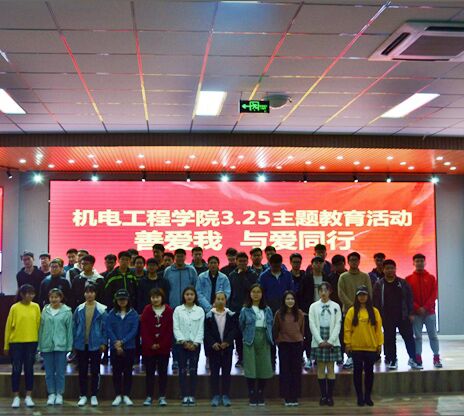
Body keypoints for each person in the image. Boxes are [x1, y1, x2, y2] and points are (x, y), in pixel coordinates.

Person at [373, 259, 421, 370]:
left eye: (392, 268)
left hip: (403, 316)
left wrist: (411, 313)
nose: (390, 270)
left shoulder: (403, 283)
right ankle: (393, 360)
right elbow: (376, 301)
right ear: (383, 270)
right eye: (387, 268)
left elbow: (409, 298)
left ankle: (413, 359)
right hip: (387, 317)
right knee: (390, 339)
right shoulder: (379, 284)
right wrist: (378, 316)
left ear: (395, 269)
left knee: (409, 338)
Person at [344, 286, 383, 407]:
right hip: (356, 348)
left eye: (364, 295)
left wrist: (379, 344)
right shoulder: (351, 311)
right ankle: (359, 397)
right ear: (357, 296)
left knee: (369, 373)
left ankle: (368, 397)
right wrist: (347, 343)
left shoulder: (374, 311)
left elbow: (378, 330)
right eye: (360, 295)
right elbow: (347, 329)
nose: (362, 297)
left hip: (371, 347)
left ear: (368, 296)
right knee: (357, 372)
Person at [4, 284, 41, 408]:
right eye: (28, 293)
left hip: (31, 342)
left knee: (29, 369)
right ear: (22, 294)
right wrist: (6, 345)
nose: (31, 296)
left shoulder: (36, 307)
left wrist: (39, 344)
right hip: (16, 343)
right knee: (16, 369)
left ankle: (28, 396)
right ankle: (16, 397)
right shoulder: (14, 307)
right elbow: (8, 327)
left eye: (32, 293)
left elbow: (39, 325)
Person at [73, 284, 107, 407]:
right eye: (87, 292)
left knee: (95, 370)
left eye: (92, 292)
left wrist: (103, 342)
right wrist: (74, 342)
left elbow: (105, 328)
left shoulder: (102, 309)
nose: (89, 295)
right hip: (81, 344)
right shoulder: (79, 309)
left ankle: (93, 395)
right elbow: (74, 326)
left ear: (95, 294)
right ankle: (82, 395)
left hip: (96, 344)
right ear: (84, 294)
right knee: (82, 371)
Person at [239, 283, 273, 407]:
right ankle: (252, 394)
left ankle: (260, 393)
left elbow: (271, 324)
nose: (256, 294)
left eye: (258, 292)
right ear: (250, 294)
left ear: (262, 294)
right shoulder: (245, 309)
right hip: (250, 340)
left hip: (264, 339)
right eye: (253, 292)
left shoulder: (267, 309)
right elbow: (241, 325)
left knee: (263, 367)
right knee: (251, 368)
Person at [309, 282, 342, 407]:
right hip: (319, 338)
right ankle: (323, 396)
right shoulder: (313, 306)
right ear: (318, 292)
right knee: (321, 368)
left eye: (326, 290)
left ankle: (330, 396)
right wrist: (319, 341)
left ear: (330, 292)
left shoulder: (336, 306)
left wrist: (331, 341)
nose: (323, 293)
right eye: (321, 290)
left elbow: (338, 324)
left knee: (331, 368)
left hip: (332, 338)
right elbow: (312, 324)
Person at [405, 253, 442, 368]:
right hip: (416, 314)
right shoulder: (408, 279)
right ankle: (418, 357)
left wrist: (425, 307)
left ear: (425, 263)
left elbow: (434, 294)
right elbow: (408, 297)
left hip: (429, 312)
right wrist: (417, 308)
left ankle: (436, 357)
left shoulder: (431, 278)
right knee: (417, 337)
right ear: (414, 263)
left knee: (433, 336)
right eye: (417, 261)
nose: (419, 263)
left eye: (421, 261)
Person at [258, 253, 293, 369]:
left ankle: (285, 364)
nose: (276, 268)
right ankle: (271, 362)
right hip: (269, 311)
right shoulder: (264, 276)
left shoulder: (287, 275)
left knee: (285, 336)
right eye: (274, 266)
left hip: (285, 311)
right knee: (271, 337)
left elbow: (291, 292)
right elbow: (261, 294)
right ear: (270, 264)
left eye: (278, 266)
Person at [164, 248, 197, 371]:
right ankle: (176, 360)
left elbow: (195, 287)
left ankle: (187, 359)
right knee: (175, 335)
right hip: (173, 308)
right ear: (175, 257)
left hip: (188, 307)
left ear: (185, 257)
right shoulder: (168, 271)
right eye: (177, 256)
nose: (179, 258)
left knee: (188, 333)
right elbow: (165, 289)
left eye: (182, 256)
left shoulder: (191, 270)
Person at [38, 288, 73, 406]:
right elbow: (41, 328)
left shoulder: (67, 311)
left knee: (60, 372)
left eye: (56, 297)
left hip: (61, 346)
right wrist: (40, 345)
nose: (54, 299)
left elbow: (69, 330)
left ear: (61, 298)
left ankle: (59, 394)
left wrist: (69, 346)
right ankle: (51, 393)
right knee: (49, 372)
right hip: (46, 345)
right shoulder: (45, 310)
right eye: (51, 297)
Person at [338, 252, 372, 369]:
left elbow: (369, 292)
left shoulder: (365, 276)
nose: (354, 262)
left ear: (359, 261)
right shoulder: (343, 277)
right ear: (348, 262)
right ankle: (349, 357)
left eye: (356, 260)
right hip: (348, 311)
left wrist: (362, 306)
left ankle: (362, 356)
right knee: (348, 334)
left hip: (363, 311)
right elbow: (341, 294)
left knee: (361, 333)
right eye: (351, 260)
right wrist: (353, 306)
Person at [140, 288, 173, 407]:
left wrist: (161, 344)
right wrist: (151, 344)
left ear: (162, 298)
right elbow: (144, 329)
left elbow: (170, 330)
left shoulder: (168, 310)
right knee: (149, 373)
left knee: (163, 373)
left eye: (157, 297)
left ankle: (162, 396)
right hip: (149, 349)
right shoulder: (147, 310)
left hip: (163, 349)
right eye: (153, 297)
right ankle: (149, 396)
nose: (155, 299)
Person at [204, 291, 238, 407]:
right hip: (214, 349)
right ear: (214, 301)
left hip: (227, 349)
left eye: (222, 299)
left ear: (225, 300)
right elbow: (206, 332)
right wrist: (213, 343)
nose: (220, 301)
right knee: (214, 372)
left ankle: (225, 395)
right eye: (218, 299)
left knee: (226, 373)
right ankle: (215, 395)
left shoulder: (231, 315)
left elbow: (234, 330)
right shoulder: (209, 316)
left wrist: (227, 342)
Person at [106, 289, 139, 407]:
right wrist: (116, 343)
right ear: (116, 300)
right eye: (120, 299)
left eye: (124, 299)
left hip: (129, 347)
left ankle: (126, 395)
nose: (122, 301)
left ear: (128, 300)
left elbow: (134, 331)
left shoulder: (133, 314)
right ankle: (118, 395)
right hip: (115, 348)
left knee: (128, 372)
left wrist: (123, 342)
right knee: (116, 372)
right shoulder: (111, 313)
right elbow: (108, 329)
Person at [173, 286, 205, 406]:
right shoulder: (178, 310)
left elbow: (201, 328)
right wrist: (183, 342)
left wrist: (195, 343)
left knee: (193, 370)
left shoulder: (200, 310)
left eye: (192, 294)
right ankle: (184, 395)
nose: (189, 296)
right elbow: (176, 327)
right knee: (182, 370)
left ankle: (191, 395)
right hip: (181, 345)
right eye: (187, 294)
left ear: (195, 296)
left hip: (195, 345)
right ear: (183, 296)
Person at [273, 291, 304, 406]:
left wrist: (300, 339)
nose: (290, 301)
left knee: (296, 371)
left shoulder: (300, 313)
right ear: (284, 301)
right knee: (285, 371)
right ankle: (286, 397)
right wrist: (278, 340)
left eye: (292, 299)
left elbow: (302, 329)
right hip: (284, 344)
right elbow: (275, 329)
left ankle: (294, 396)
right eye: (288, 299)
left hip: (297, 344)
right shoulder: (279, 313)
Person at [228, 251, 258, 367]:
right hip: (236, 310)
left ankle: (251, 357)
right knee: (238, 336)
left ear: (247, 261)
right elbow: (230, 293)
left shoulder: (253, 274)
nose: (242, 263)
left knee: (250, 334)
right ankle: (241, 358)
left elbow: (252, 290)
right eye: (240, 261)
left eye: (244, 261)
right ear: (236, 262)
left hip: (250, 309)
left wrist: (243, 275)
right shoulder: (232, 275)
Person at [299, 256, 328, 369]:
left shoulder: (327, 278)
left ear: (324, 264)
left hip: (324, 312)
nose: (318, 265)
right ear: (312, 265)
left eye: (320, 263)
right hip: (309, 312)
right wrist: (302, 309)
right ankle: (309, 357)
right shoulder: (306, 278)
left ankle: (319, 358)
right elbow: (300, 294)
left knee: (322, 336)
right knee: (309, 336)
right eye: (316, 263)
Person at [327, 254, 346, 362]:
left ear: (344, 263)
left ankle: (350, 356)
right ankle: (339, 356)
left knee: (347, 333)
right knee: (336, 333)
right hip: (334, 310)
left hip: (348, 308)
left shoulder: (349, 275)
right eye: (336, 265)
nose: (339, 267)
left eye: (340, 264)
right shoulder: (330, 277)